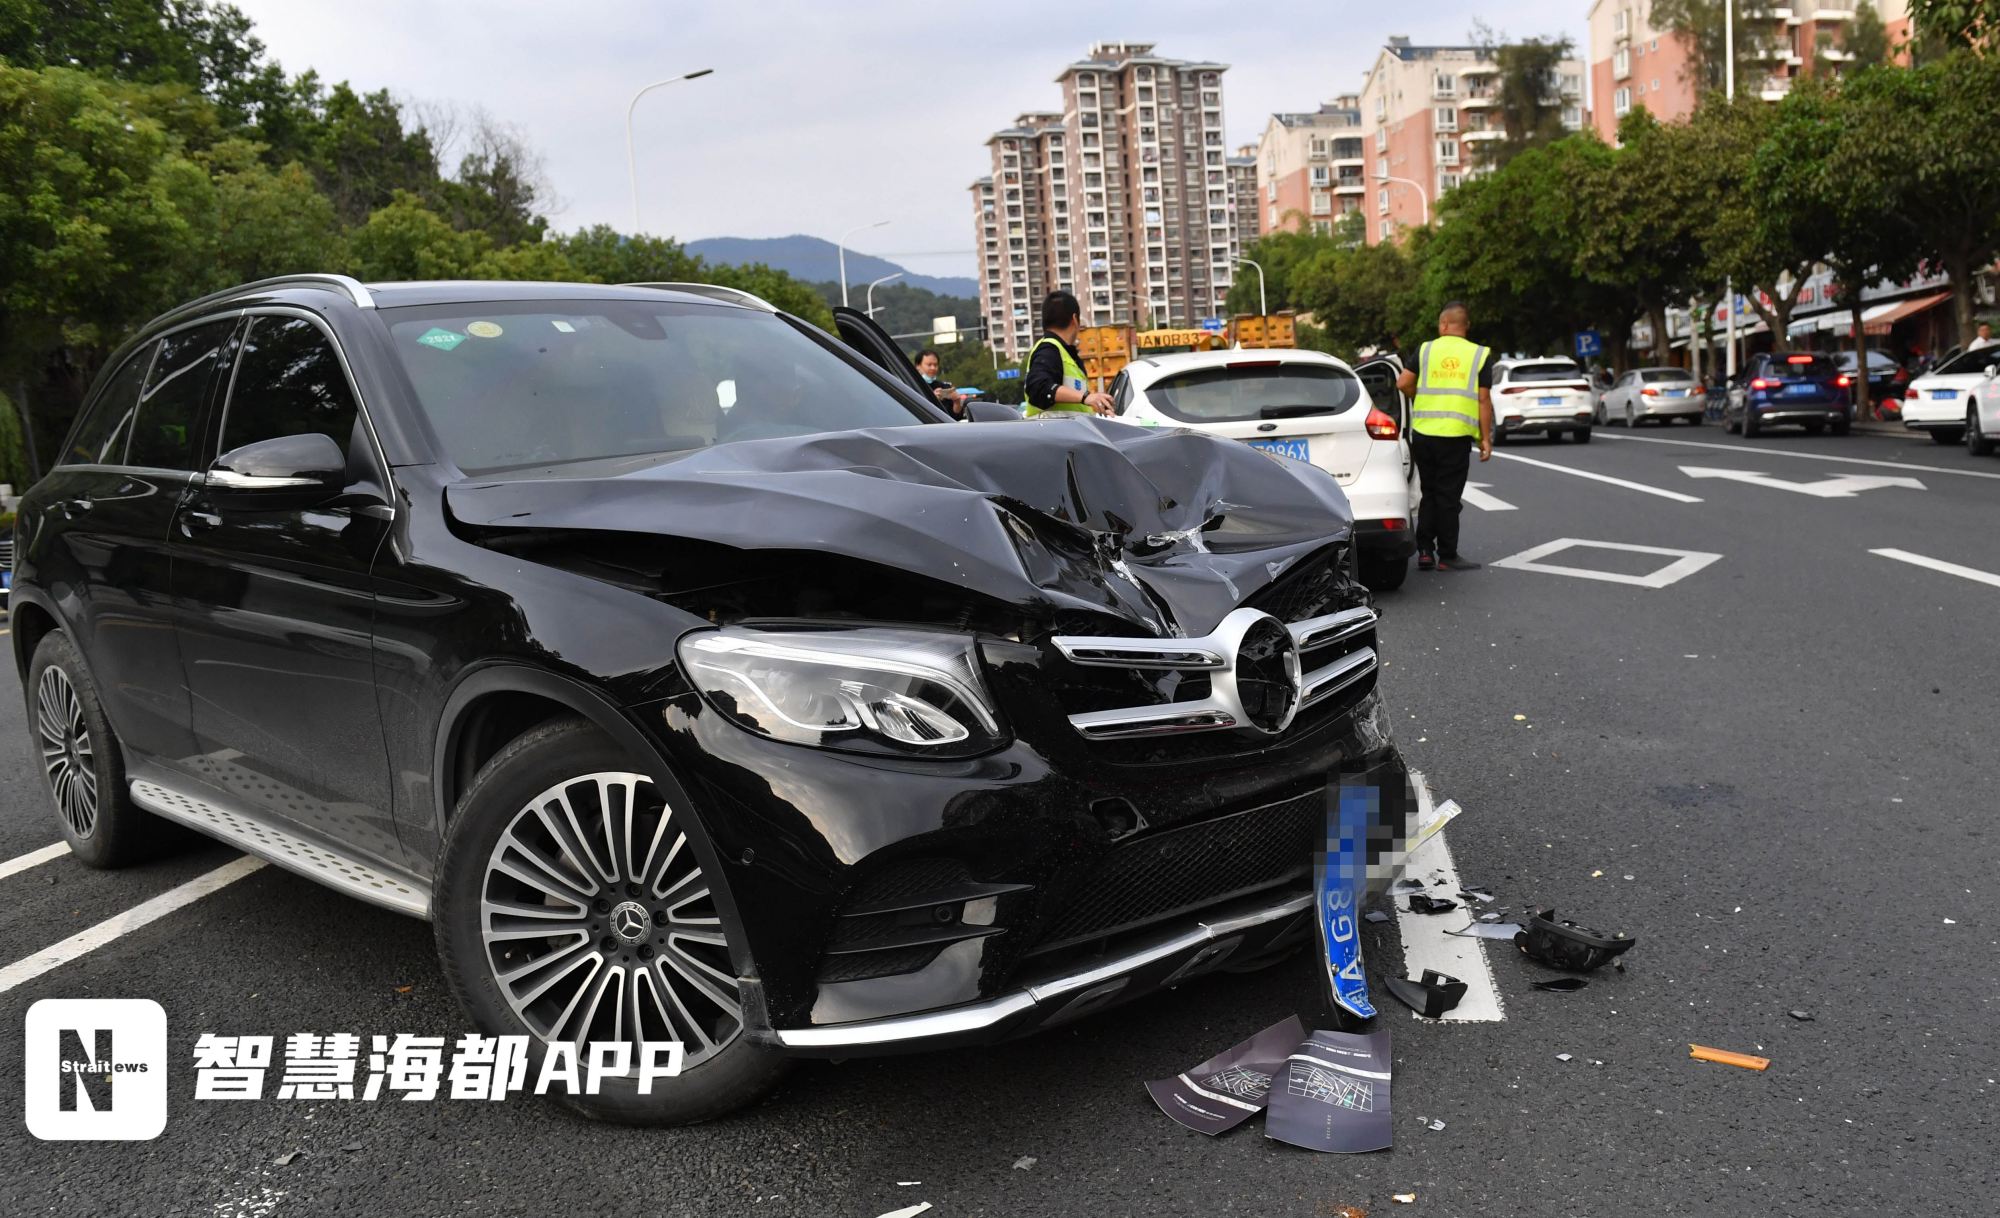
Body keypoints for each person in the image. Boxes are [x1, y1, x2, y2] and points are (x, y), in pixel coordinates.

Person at [1395, 302, 1494, 572]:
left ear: (1443, 325)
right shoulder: (1479, 354)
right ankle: (1448, 555)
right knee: (1448, 496)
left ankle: (1425, 551)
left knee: (1429, 492)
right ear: (1466, 326)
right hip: (1456, 435)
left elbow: (1402, 382)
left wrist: (1422, 398)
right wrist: (1486, 438)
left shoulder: (1426, 349)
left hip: (1424, 433)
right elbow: (1483, 399)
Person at [1023, 290, 1114, 417]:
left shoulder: (1064, 354)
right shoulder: (1049, 350)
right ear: (1075, 319)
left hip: (1067, 433)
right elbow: (1039, 387)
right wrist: (1086, 397)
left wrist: (1096, 411)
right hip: (1052, 434)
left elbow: (1071, 408)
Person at [913, 348, 969, 418]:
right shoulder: (912, 385)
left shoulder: (945, 387)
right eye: (929, 365)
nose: (933, 368)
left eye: (935, 365)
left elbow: (955, 416)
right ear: (918, 366)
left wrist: (957, 401)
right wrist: (932, 399)